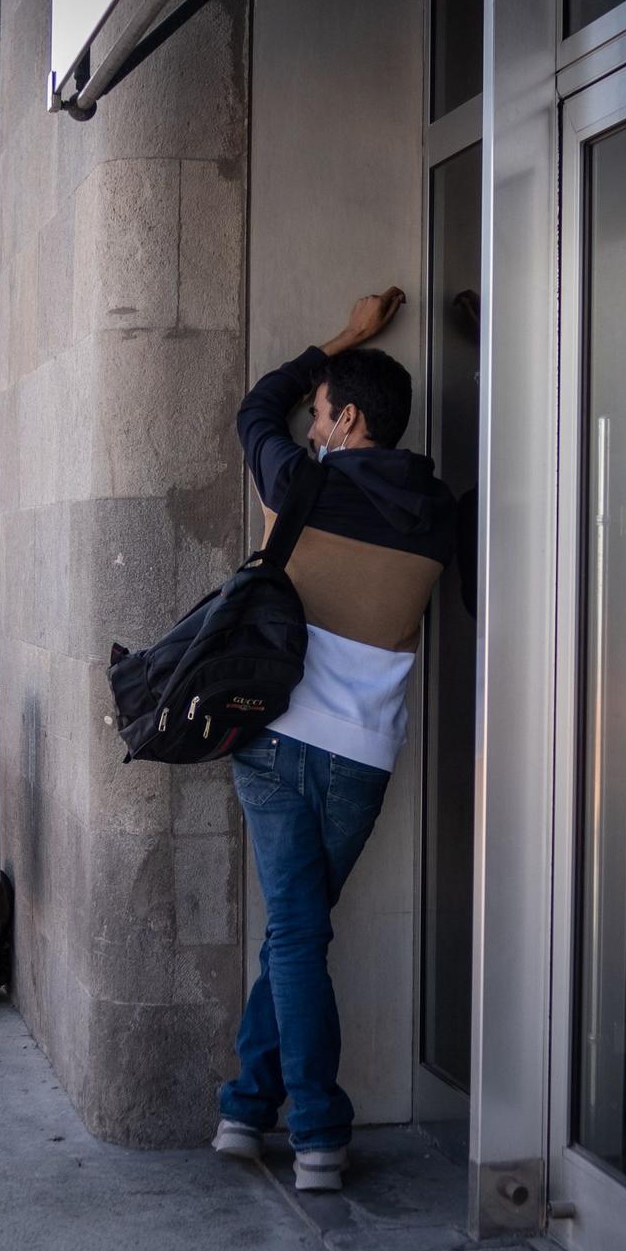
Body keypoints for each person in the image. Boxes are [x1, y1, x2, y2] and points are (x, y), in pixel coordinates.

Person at [212, 289, 456, 1193]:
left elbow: (253, 406)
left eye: (322, 413)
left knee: (296, 936)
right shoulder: (435, 510)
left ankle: (312, 1128)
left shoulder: (299, 485)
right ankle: (244, 1107)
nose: (310, 423)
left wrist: (346, 336)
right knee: (298, 933)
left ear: (347, 418)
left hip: (276, 745)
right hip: (363, 757)